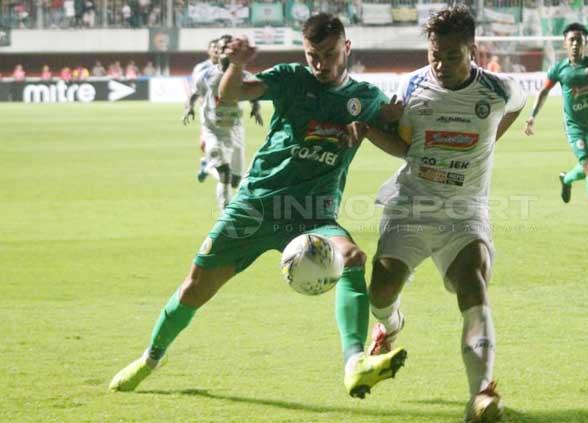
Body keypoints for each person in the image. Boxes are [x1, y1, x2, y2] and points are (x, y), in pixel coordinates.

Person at [109, 13, 408, 398]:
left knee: (351, 257)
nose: (320, 64)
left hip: (312, 215)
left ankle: (355, 363)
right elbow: (232, 93)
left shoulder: (366, 99)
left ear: (346, 48)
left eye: (329, 54)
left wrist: (389, 123)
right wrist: (236, 64)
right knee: (193, 289)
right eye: (312, 55)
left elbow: (402, 146)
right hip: (255, 207)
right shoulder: (292, 79)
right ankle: (149, 359)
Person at [360, 6, 525, 423]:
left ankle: (481, 395)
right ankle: (391, 323)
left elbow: (518, 105)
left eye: (451, 55)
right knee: (381, 287)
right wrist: (372, 128)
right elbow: (404, 146)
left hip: (464, 212)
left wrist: (489, 142)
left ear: (472, 49)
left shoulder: (500, 90)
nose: (441, 63)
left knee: (473, 285)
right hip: (411, 203)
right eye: (435, 53)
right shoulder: (412, 86)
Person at [524, 22, 588, 230]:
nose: (575, 44)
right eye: (571, 40)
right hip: (575, 127)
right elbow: (543, 92)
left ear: (586, 42)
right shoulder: (559, 69)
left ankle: (566, 179)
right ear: (565, 43)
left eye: (579, 40)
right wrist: (532, 117)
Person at [184, 38, 263, 186]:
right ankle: (212, 167)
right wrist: (191, 107)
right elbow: (196, 91)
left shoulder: (241, 73)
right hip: (211, 119)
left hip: (234, 123)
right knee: (214, 154)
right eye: (217, 49)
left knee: (235, 180)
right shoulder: (204, 71)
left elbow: (252, 91)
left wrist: (255, 108)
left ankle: (208, 167)